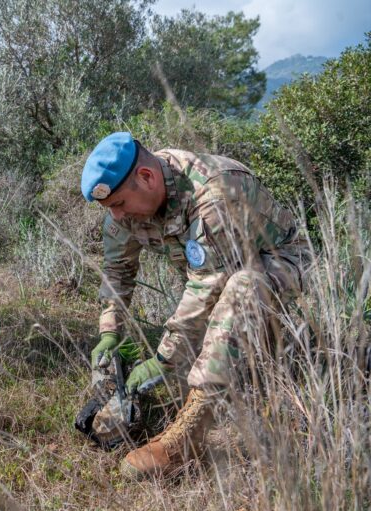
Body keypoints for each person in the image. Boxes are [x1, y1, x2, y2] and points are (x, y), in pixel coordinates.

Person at [80, 132, 308, 479]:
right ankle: (282, 354)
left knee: (243, 287)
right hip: (217, 270)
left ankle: (187, 439)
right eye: (109, 208)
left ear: (147, 177)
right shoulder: (125, 206)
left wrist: (163, 359)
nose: (116, 215)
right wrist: (109, 330)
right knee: (234, 301)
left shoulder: (214, 192)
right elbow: (117, 270)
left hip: (283, 260)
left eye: (120, 204)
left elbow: (208, 285)